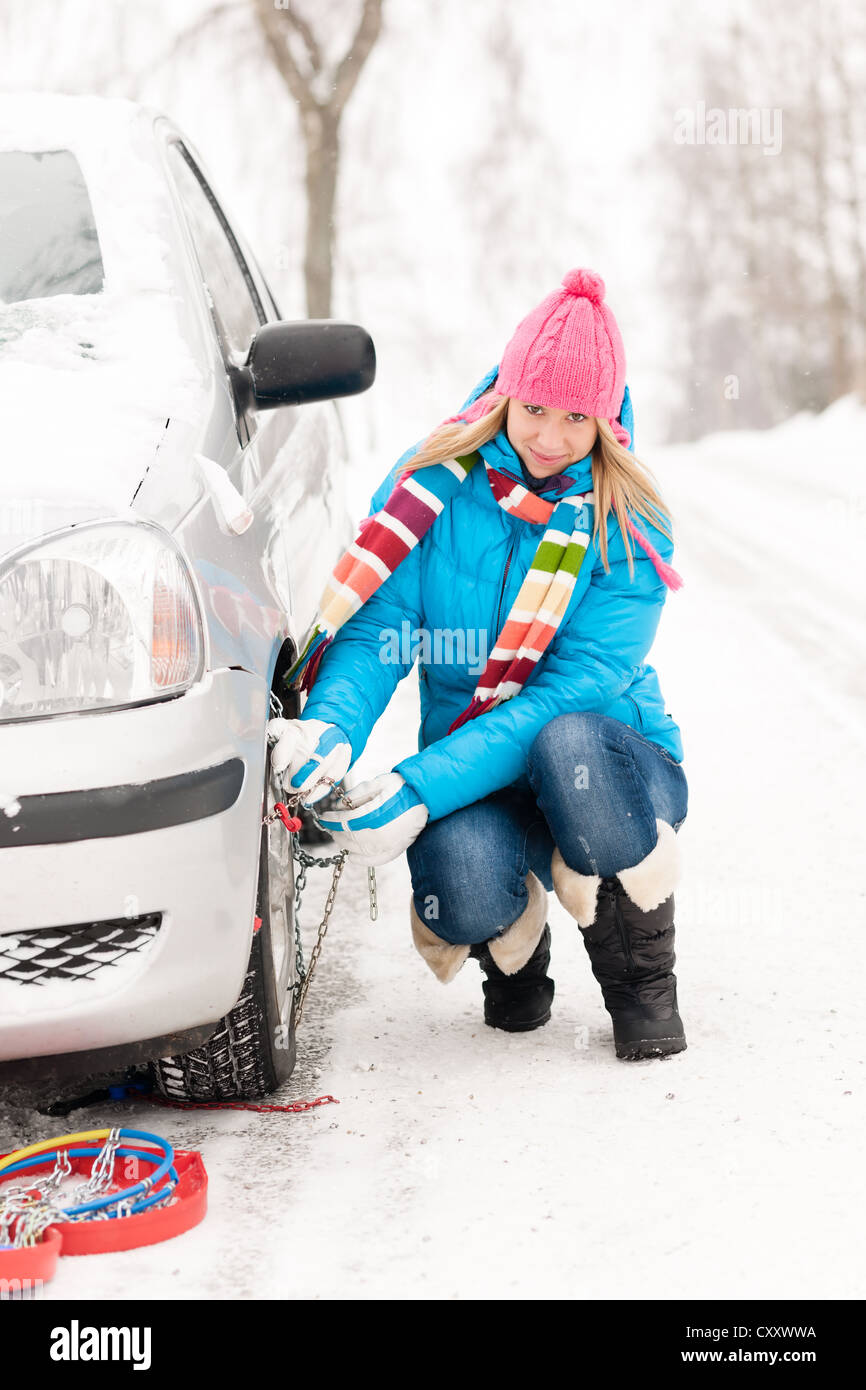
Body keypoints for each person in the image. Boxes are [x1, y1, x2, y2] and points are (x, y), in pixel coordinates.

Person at [268, 268, 689, 1061]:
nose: (550, 437)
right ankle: (515, 954)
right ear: (503, 392)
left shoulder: (629, 520)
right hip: (479, 762)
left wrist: (420, 787)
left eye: (577, 417)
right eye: (534, 408)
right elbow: (379, 631)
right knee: (459, 882)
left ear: (608, 417)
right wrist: (330, 727)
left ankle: (639, 980)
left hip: (608, 763)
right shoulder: (431, 487)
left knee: (567, 741)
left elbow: (578, 687)